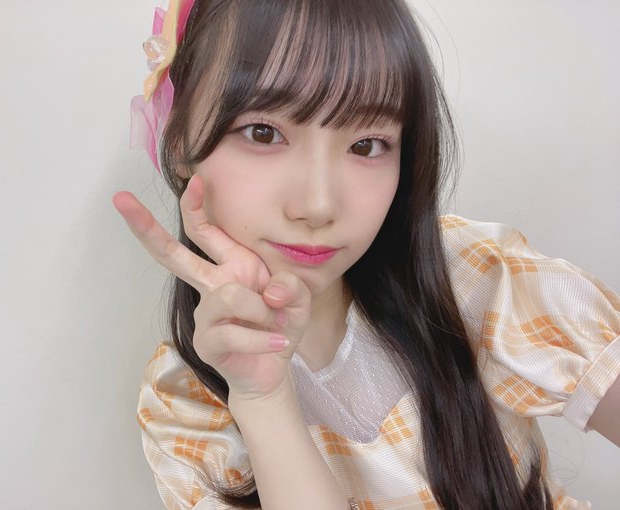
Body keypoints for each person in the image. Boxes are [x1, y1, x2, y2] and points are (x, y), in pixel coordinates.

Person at [113, 1, 620, 508]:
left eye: (367, 145)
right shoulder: (185, 401)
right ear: (178, 141)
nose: (318, 205)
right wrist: (263, 398)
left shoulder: (475, 277)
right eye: (262, 132)